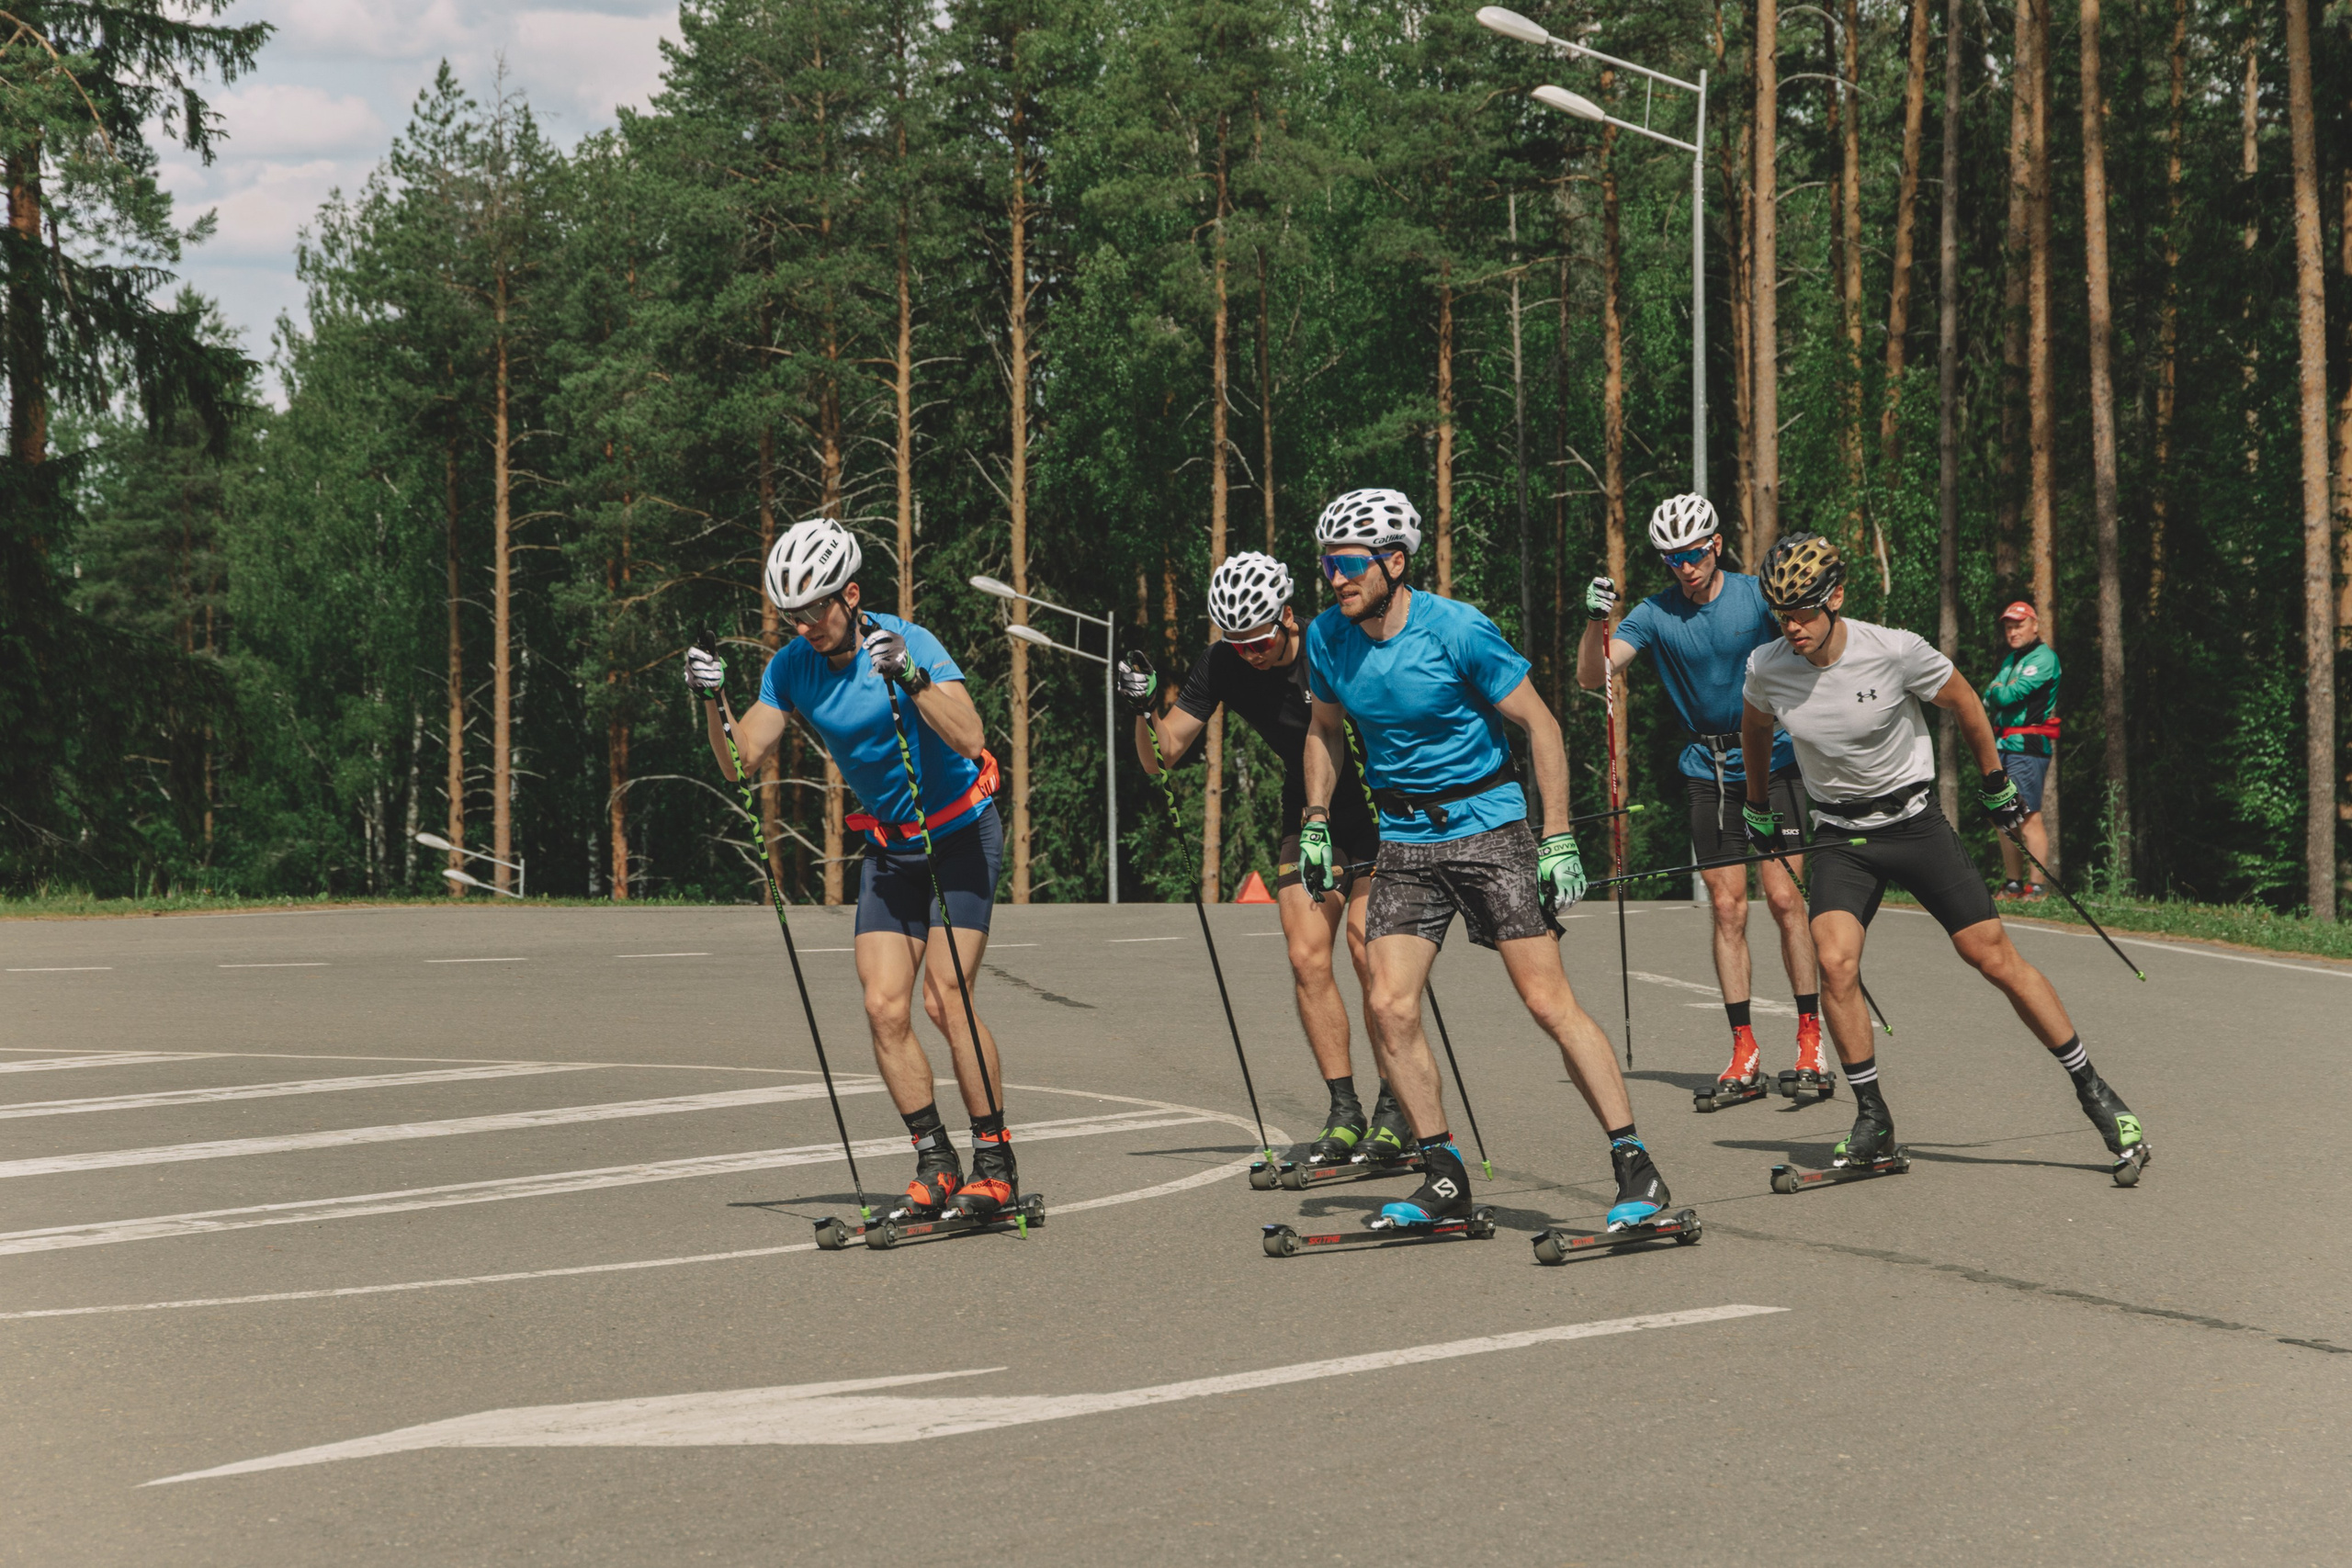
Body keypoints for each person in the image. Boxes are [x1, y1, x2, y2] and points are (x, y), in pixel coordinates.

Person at [1297, 487, 1676, 1232]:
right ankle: (1442, 1174)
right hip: (1403, 838)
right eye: (1326, 564)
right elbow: (1322, 728)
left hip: (1490, 824)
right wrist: (1315, 818)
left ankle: (1637, 1163)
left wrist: (1558, 834)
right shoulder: (1326, 638)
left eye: (1347, 562)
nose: (1335, 577)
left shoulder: (1457, 629)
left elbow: (1541, 725)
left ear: (1394, 562)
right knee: (1387, 1001)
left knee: (1546, 1002)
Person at [1736, 535, 2148, 1180]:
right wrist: (1757, 805)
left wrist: (1994, 782)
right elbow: (1755, 728)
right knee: (1835, 960)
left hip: (1913, 823)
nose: (1793, 627)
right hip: (1841, 835)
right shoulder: (1768, 666)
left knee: (1992, 957)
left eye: (1804, 611)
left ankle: (2095, 1089)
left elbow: (1964, 702)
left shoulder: (1893, 650)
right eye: (1781, 614)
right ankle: (1872, 1117)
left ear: (1835, 598)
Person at [683, 517, 1021, 1223]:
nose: (806, 625)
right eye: (792, 614)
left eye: (817, 608)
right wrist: (713, 701)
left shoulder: (907, 640)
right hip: (892, 848)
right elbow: (742, 760)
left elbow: (971, 734)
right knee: (883, 1005)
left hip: (960, 831)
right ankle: (935, 1160)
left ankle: (994, 1162)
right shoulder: (791, 668)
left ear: (852, 594)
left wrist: (913, 675)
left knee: (945, 996)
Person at [1114, 553, 1405, 1168]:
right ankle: (1344, 1108)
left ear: (1288, 615)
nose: (1250, 654)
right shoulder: (1222, 662)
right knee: (1306, 955)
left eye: (1261, 640)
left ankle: (1395, 1104)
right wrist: (1140, 710)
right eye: (1238, 643)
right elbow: (1163, 753)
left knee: (1365, 949)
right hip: (1308, 812)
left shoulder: (1332, 639)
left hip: (1378, 812)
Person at [1577, 492, 1826, 1101]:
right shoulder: (1655, 613)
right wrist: (1593, 624)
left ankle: (1811, 1037)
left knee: (1786, 898)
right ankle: (1743, 1046)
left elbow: (1808, 644)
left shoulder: (1753, 595)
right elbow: (1594, 675)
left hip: (1774, 758)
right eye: (1670, 558)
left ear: (1714, 545)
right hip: (1707, 768)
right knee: (1726, 906)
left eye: (1691, 553)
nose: (1683, 567)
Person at [1983, 601, 2060, 900]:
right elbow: (1990, 696)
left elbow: (2007, 694)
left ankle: (2037, 886)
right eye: (2008, 626)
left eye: (2019, 625)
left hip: (2027, 747)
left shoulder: (2044, 658)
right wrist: (1999, 691)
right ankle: (2013, 883)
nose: (2013, 631)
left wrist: (2000, 690)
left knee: (2028, 817)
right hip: (2003, 745)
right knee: (2004, 814)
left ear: (2035, 625)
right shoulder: (2012, 660)